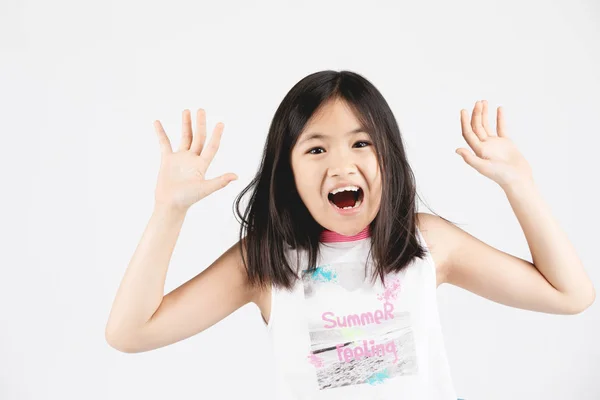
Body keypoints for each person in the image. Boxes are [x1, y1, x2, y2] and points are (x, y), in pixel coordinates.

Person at [105, 70, 595, 399]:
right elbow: (130, 333)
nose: (342, 164)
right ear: (288, 173)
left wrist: (519, 184)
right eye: (316, 150)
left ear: (388, 157)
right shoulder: (266, 260)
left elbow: (570, 294)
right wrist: (168, 211)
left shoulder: (428, 243)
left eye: (361, 143)